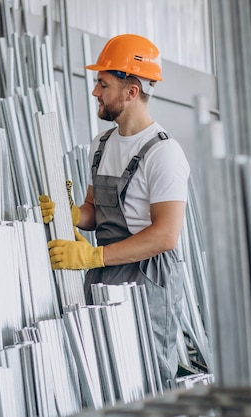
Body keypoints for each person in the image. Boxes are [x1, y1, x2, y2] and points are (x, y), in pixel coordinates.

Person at [42, 34, 190, 386]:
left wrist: (93, 257)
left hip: (146, 278)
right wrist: (72, 215)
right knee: (103, 375)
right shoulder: (102, 143)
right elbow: (95, 210)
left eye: (102, 84)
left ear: (131, 91)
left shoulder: (163, 154)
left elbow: (166, 236)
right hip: (104, 272)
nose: (95, 92)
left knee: (147, 381)